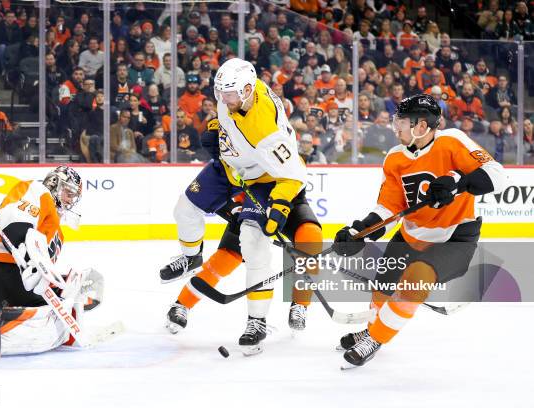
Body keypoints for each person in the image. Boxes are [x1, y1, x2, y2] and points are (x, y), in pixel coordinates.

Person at [160, 58, 323, 355]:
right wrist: (217, 127)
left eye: (229, 95)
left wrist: (281, 205)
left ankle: (257, 321)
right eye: (219, 93)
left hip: (260, 178)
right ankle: (190, 257)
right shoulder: (234, 92)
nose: (223, 99)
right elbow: (229, 115)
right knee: (183, 210)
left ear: (248, 91)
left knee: (251, 241)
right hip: (229, 165)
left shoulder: (266, 128)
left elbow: (294, 172)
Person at [333, 94, 508, 368]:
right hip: (410, 235)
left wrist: (458, 182)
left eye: (401, 121)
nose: (395, 127)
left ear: (422, 126)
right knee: (383, 286)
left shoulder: (452, 140)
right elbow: (389, 208)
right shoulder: (394, 158)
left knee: (416, 278)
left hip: (455, 238)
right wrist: (361, 231)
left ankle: (376, 337)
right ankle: (373, 328)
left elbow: (498, 175)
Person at [0, 166, 103, 358]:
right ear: (54, 183)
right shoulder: (37, 190)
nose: (69, 200)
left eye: (73, 196)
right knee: (48, 312)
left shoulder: (57, 231)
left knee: (63, 297)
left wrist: (59, 284)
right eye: (68, 192)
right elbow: (15, 223)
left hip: (2, 276)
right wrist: (28, 257)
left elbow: (40, 268)